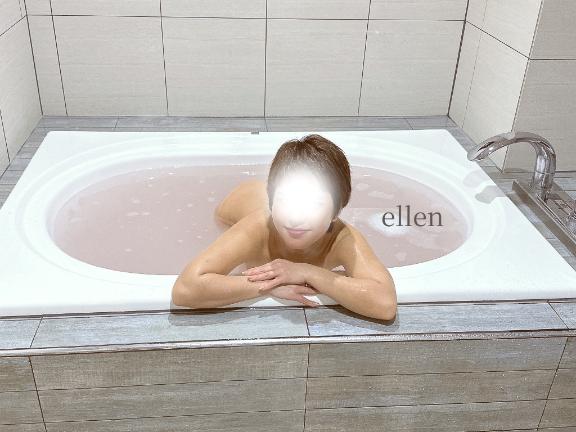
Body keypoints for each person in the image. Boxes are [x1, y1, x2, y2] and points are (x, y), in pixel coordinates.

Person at [171, 134, 397, 321]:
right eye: (284, 201)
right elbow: (185, 289)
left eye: (314, 204)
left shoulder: (342, 238)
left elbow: (385, 304)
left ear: (336, 211)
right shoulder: (258, 228)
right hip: (233, 209)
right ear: (272, 203)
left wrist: (306, 271)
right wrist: (269, 285)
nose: (295, 217)